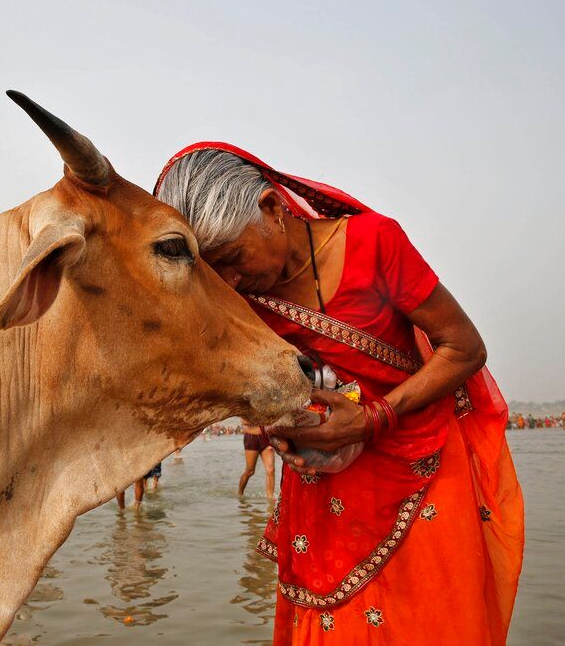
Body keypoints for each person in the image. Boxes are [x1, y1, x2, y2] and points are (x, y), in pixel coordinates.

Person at [156, 143, 523, 645]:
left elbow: (463, 348)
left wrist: (372, 419)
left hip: (422, 465)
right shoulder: (239, 298)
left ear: (270, 208)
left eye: (234, 258)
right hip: (322, 486)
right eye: (215, 271)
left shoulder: (375, 245)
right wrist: (279, 430)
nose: (231, 281)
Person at [240, 417, 277, 498]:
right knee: (250, 471)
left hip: (266, 438)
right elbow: (243, 421)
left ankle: (270, 500)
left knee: (270, 470)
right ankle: (240, 494)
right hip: (251, 437)